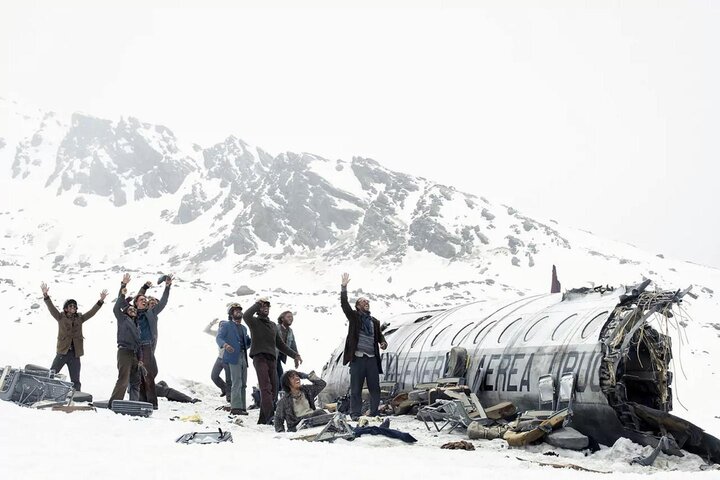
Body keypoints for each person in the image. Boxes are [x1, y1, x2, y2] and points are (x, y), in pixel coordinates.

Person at [243, 297, 302, 425]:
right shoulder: (254, 322)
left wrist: (295, 355)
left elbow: (280, 344)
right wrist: (257, 304)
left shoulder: (272, 326)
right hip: (259, 357)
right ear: (258, 310)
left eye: (267, 307)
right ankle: (270, 417)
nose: (265, 309)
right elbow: (246, 315)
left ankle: (263, 419)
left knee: (274, 389)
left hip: (272, 359)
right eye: (262, 307)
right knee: (265, 388)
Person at [40, 282, 107, 392]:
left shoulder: (80, 319)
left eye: (75, 306)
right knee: (52, 373)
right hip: (62, 352)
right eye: (71, 306)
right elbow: (51, 308)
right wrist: (46, 296)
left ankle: (76, 397)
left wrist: (100, 301)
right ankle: (44, 391)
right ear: (66, 308)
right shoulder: (60, 317)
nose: (73, 307)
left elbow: (91, 313)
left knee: (75, 379)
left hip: (75, 354)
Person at [340, 273, 387, 420]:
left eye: (367, 301)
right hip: (358, 358)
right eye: (363, 301)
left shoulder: (374, 321)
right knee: (356, 388)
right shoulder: (354, 317)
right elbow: (344, 305)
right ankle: (355, 414)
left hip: (371, 358)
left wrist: (383, 342)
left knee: (375, 387)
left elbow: (379, 335)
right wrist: (343, 287)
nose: (366, 302)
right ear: (358, 306)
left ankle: (374, 412)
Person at [129, 275, 172, 409]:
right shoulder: (133, 312)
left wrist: (167, 287)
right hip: (135, 347)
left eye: (146, 300)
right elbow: (138, 297)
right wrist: (144, 288)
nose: (145, 300)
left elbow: (163, 302)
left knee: (148, 375)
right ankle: (141, 400)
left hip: (146, 346)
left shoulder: (151, 313)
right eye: (142, 300)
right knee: (138, 376)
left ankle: (152, 404)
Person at [109, 273, 142, 407]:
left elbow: (139, 343)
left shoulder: (136, 324)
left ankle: (134, 403)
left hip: (134, 353)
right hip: (124, 352)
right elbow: (117, 306)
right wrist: (123, 286)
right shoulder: (122, 319)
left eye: (134, 309)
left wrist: (140, 358)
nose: (133, 310)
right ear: (126, 311)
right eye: (130, 309)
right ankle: (114, 403)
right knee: (123, 379)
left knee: (135, 381)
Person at [216, 303, 251, 415]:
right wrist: (225, 345)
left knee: (244, 383)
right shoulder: (226, 325)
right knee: (236, 382)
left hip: (243, 356)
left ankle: (242, 407)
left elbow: (247, 343)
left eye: (239, 310)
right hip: (232, 357)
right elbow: (219, 338)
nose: (238, 312)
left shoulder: (244, 328)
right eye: (235, 310)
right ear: (231, 313)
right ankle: (236, 408)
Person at [203, 318, 232, 401]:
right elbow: (206, 330)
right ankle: (224, 388)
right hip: (219, 359)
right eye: (220, 326)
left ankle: (230, 397)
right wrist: (211, 323)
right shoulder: (218, 334)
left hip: (228, 359)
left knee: (229, 379)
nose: (221, 328)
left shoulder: (230, 335)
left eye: (223, 326)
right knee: (214, 376)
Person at [275, 311, 298, 401]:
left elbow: (293, 344)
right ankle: (275, 399)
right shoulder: (276, 328)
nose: (290, 318)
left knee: (280, 376)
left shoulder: (290, 331)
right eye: (288, 317)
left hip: (280, 358)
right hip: (273, 356)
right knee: (277, 377)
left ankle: (281, 398)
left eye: (291, 317)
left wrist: (296, 357)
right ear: (282, 318)